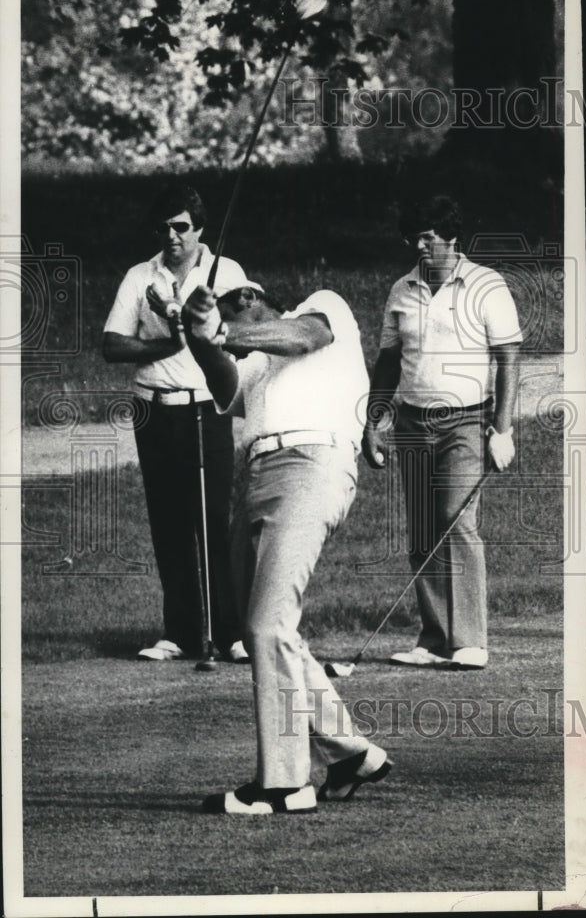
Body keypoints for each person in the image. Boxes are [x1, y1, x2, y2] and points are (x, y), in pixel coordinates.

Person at [176, 281, 392, 814]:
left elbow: (301, 337)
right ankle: (350, 754)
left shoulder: (322, 307)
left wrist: (223, 330)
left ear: (251, 297)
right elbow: (224, 384)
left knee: (266, 625)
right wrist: (202, 338)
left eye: (234, 316)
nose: (237, 338)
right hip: (259, 477)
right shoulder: (252, 361)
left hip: (311, 463)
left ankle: (284, 783)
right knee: (272, 628)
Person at [362, 195, 522, 670]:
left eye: (428, 237)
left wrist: (503, 429)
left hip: (468, 420)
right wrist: (373, 422)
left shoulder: (486, 284)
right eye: (414, 237)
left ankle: (469, 639)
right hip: (412, 420)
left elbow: (508, 356)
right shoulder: (401, 288)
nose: (420, 245)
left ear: (451, 237)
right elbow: (389, 362)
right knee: (423, 530)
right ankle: (433, 639)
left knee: (457, 521)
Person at [102, 183, 249, 664]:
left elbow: (242, 336)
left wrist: (205, 324)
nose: (172, 236)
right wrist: (165, 345)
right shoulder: (139, 275)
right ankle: (181, 632)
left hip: (204, 408)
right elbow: (112, 344)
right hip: (152, 409)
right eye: (164, 227)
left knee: (212, 522)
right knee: (168, 522)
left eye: (181, 227)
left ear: (199, 228)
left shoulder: (224, 272)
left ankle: (230, 633)